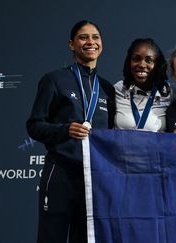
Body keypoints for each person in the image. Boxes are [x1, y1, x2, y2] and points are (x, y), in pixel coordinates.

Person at [26, 20, 115, 243]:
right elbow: (34, 125)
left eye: (95, 37)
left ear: (101, 44)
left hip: (93, 178)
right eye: (83, 37)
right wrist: (65, 130)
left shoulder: (107, 89)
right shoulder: (54, 80)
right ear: (71, 44)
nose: (90, 42)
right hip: (61, 173)